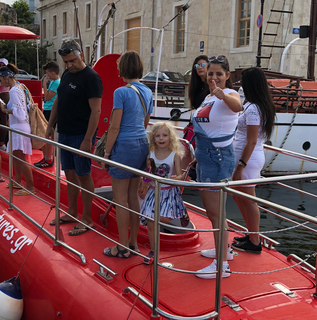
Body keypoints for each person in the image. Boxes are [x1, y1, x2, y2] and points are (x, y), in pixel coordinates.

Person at [46, 39, 103, 236]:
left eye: (72, 60)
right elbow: (59, 100)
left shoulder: (91, 78)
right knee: (69, 173)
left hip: (81, 135)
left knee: (83, 174)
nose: (70, 65)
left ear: (82, 56)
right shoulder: (67, 75)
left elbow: (96, 111)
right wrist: (50, 125)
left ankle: (87, 219)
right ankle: (71, 211)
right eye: (66, 62)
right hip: (65, 133)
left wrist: (88, 140)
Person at [192, 55, 242, 279]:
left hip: (218, 157)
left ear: (227, 76)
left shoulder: (229, 94)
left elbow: (237, 106)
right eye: (211, 73)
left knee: (216, 212)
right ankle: (224, 250)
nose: (214, 77)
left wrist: (222, 93)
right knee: (213, 212)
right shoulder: (208, 98)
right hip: (205, 156)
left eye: (219, 74)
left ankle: (221, 265)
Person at [100, 51, 152, 258]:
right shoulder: (147, 91)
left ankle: (121, 246)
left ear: (124, 68)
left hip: (124, 146)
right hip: (141, 144)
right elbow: (146, 122)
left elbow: (114, 127)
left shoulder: (121, 92)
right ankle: (133, 243)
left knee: (120, 198)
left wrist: (107, 153)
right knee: (132, 197)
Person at [231, 67, 275, 253]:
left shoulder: (254, 108)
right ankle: (251, 234)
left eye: (243, 82)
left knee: (249, 199)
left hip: (247, 160)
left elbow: (252, 141)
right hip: (243, 157)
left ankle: (255, 241)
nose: (241, 86)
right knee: (238, 196)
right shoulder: (255, 105)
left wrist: (241, 166)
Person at [137, 122, 188, 262]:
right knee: (151, 221)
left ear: (170, 137)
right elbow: (148, 173)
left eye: (164, 135)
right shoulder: (151, 154)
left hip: (169, 192)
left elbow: (180, 175)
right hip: (154, 191)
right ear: (153, 138)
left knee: (165, 218)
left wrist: (176, 178)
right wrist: (143, 185)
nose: (161, 138)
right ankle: (153, 250)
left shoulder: (174, 155)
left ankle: (182, 212)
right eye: (158, 136)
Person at [0, 64, 36, 196]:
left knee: (21, 158)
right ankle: (17, 180)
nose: (0, 83)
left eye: (1, 80)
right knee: (16, 156)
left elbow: (20, 113)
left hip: (19, 127)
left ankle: (30, 187)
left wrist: (5, 110)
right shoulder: (21, 86)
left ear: (7, 78)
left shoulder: (13, 91)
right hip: (21, 127)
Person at [182, 55, 210, 173]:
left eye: (203, 65)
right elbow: (197, 109)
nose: (200, 68)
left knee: (190, 152)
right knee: (186, 150)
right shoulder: (197, 86)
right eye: (197, 66)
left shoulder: (212, 86)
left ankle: (184, 176)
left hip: (206, 127)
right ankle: (183, 177)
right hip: (196, 125)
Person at [34, 61, 60, 168]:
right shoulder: (54, 82)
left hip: (50, 110)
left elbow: (48, 97)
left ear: (52, 73)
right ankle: (46, 157)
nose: (46, 76)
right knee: (46, 134)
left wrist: (44, 83)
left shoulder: (57, 83)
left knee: (49, 135)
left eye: (47, 73)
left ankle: (49, 158)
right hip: (48, 109)